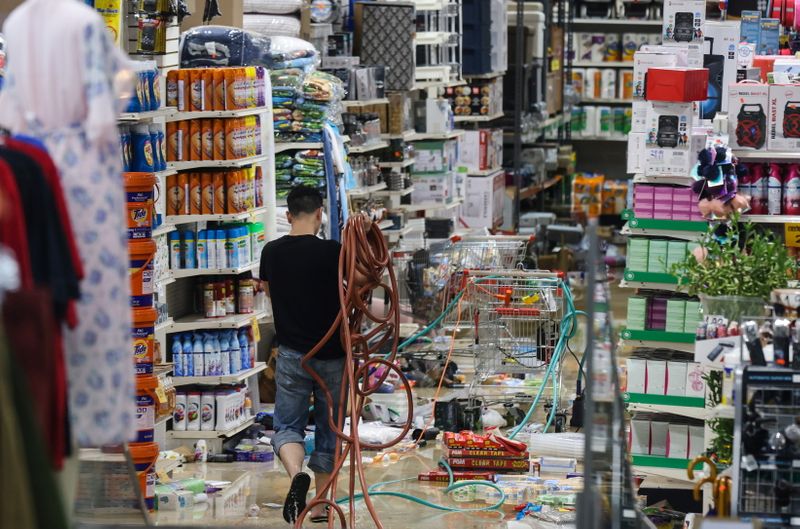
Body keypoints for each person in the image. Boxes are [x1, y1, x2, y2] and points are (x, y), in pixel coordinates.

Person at [259, 186, 347, 524]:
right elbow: (355, 290)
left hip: (293, 354)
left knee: (287, 427)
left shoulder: (271, 253)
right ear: (320, 214)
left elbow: (269, 292)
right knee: (330, 430)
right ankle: (322, 507)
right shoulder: (334, 252)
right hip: (333, 356)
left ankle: (297, 472)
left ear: (288, 216)